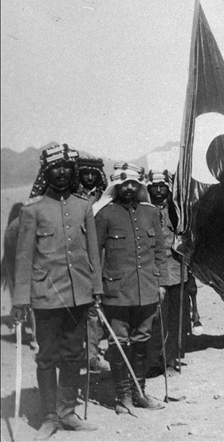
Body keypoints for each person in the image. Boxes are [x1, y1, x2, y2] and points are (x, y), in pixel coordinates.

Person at [12, 144, 101, 434]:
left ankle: (68, 413)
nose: (61, 173)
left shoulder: (83, 206)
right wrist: (21, 299)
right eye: (55, 168)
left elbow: (92, 254)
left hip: (78, 294)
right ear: (46, 171)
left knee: (75, 354)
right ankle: (50, 416)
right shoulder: (32, 210)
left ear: (73, 170)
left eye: (66, 167)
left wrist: (95, 290)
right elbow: (24, 259)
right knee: (47, 356)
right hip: (46, 297)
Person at [94, 162, 167, 412]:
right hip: (116, 292)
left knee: (142, 340)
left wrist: (161, 283)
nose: (129, 188)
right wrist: (96, 288)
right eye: (123, 184)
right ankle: (122, 397)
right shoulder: (104, 214)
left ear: (139, 186)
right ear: (115, 187)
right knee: (118, 342)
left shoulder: (150, 213)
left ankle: (140, 393)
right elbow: (95, 254)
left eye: (133, 184)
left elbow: (159, 250)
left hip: (147, 287)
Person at [145, 169, 189, 376]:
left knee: (175, 319)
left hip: (176, 269)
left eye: (163, 186)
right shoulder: (142, 210)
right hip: (152, 272)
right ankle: (153, 360)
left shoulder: (176, 209)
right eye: (155, 186)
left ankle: (171, 359)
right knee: (154, 319)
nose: (159, 190)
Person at [75, 155, 110, 374]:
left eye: (93, 174)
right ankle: (84, 354)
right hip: (79, 257)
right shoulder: (73, 196)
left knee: (98, 308)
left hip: (103, 256)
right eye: (85, 173)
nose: (89, 177)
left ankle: (93, 354)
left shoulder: (105, 197)